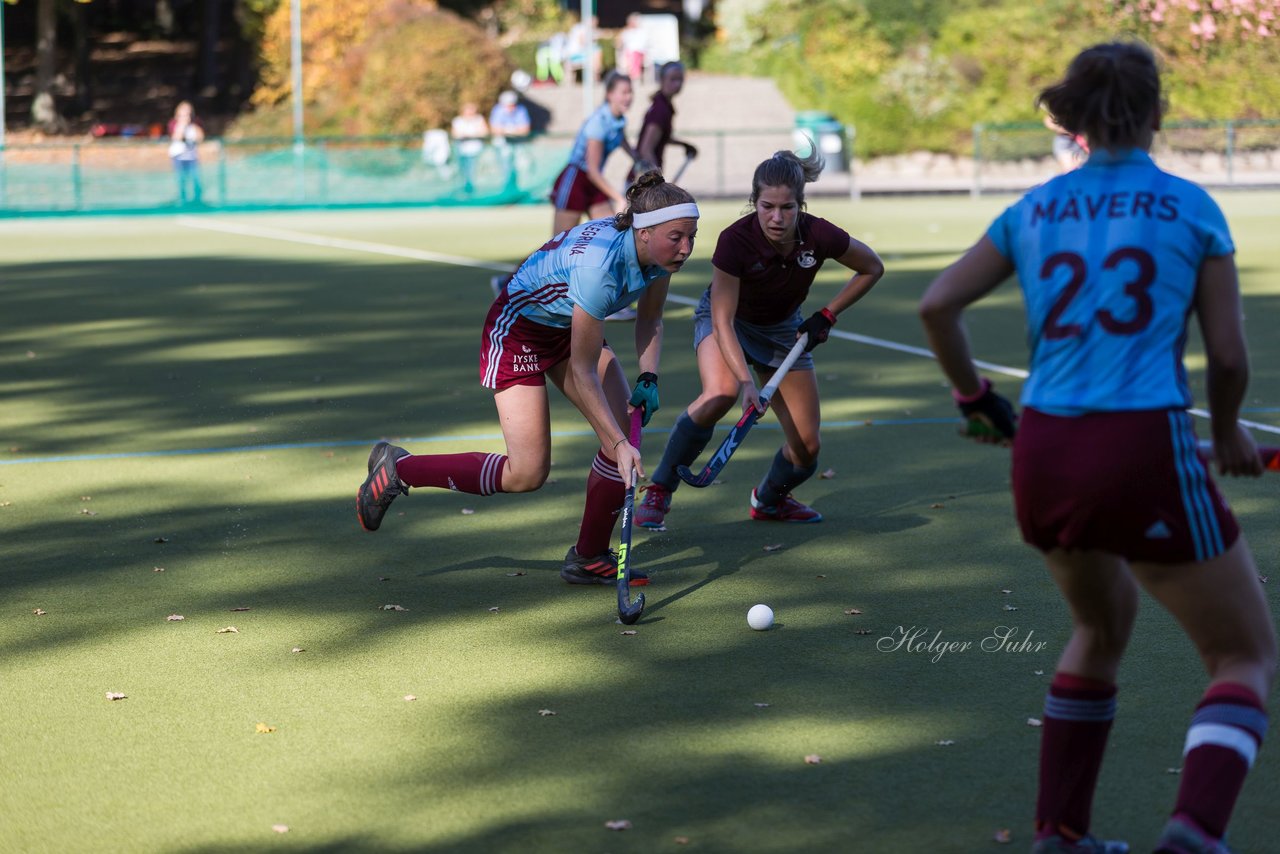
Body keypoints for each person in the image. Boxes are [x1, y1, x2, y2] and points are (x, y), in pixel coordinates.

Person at [918, 41, 1275, 854]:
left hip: (1044, 449)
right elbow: (1226, 357)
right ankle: (1193, 835)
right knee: (1243, 655)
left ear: (1073, 118)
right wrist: (1223, 432)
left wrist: (974, 397)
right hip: (1141, 444)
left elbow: (938, 306)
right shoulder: (1189, 207)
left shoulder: (1033, 209)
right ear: (1157, 113)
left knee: (1100, 627)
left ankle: (1060, 835)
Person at [357, 172, 699, 586]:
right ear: (644, 233)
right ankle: (402, 468)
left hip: (564, 326)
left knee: (618, 436)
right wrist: (618, 442)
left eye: (691, 237)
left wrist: (649, 375)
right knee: (528, 473)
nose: (686, 248)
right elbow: (583, 369)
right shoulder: (600, 270)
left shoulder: (659, 256)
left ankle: (588, 557)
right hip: (518, 330)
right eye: (677, 237)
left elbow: (650, 315)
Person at [636, 144, 884, 529]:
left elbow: (871, 267)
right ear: (754, 202)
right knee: (720, 393)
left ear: (801, 204)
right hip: (728, 322)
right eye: (767, 206)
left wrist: (827, 314)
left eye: (787, 208)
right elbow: (722, 319)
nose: (777, 217)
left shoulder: (818, 234)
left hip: (783, 330)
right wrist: (745, 383)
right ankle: (661, 488)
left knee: (807, 449)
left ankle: (769, 500)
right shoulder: (736, 240)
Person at [630, 61, 698, 184]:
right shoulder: (660, 109)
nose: (677, 84)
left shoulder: (663, 105)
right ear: (662, 80)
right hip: (644, 181)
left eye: (680, 79)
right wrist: (658, 181)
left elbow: (660, 137)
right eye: (672, 79)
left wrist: (683, 144)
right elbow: (646, 149)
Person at [489, 91, 532, 191]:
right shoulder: (498, 110)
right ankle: (507, 189)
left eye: (512, 104)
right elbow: (495, 129)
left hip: (518, 143)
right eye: (508, 104)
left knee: (520, 166)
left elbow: (525, 129)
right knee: (505, 167)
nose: (511, 107)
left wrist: (508, 130)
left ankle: (520, 189)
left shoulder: (521, 110)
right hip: (502, 144)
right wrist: (513, 130)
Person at [167, 101, 204, 205]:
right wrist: (182, 124)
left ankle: (197, 200)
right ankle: (182, 200)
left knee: (196, 179)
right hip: (179, 157)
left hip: (192, 157)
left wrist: (193, 125)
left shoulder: (195, 124)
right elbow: (176, 137)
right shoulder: (174, 123)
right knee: (181, 179)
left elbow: (200, 138)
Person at [450, 102, 489, 194]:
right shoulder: (457, 120)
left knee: (473, 170)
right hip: (461, 150)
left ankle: (472, 189)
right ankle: (464, 188)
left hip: (475, 150)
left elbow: (484, 132)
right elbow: (455, 134)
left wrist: (471, 135)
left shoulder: (479, 119)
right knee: (462, 170)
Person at [616, 13, 648, 82]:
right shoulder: (626, 31)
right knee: (629, 56)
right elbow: (619, 43)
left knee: (633, 55)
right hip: (627, 53)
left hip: (638, 52)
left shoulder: (641, 32)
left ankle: (634, 75)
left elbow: (644, 45)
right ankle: (632, 75)